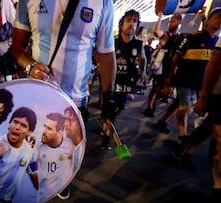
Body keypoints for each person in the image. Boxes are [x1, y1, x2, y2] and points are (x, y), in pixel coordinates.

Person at [11, 0, 116, 155]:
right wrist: (30, 66)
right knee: (29, 159)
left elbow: (106, 54)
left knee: (64, 167)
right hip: (37, 99)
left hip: (75, 106)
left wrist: (108, 98)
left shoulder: (104, 3)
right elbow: (16, 48)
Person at [162, 6, 221, 145]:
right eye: (218, 16)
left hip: (202, 83)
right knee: (185, 107)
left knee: (179, 104)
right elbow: (175, 59)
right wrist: (168, 79)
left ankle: (162, 121)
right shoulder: (192, 37)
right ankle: (183, 136)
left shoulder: (218, 42)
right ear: (209, 20)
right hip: (185, 79)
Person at [194, 16, 221, 203]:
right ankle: (219, 186)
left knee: (209, 127)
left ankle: (184, 148)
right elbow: (217, 58)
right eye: (218, 17)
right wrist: (205, 96)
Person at [110, 9, 147, 149]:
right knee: (108, 105)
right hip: (112, 80)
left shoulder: (138, 43)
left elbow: (142, 58)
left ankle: (109, 121)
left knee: (120, 105)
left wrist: (143, 72)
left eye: (135, 21)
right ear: (121, 24)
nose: (131, 23)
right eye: (128, 20)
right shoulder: (113, 41)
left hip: (127, 81)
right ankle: (106, 132)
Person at [144, 13, 182, 119]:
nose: (170, 23)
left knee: (167, 91)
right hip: (160, 67)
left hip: (171, 68)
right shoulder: (165, 35)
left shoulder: (181, 38)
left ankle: (153, 101)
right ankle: (150, 107)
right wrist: (160, 16)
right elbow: (156, 32)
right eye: (169, 21)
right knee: (156, 88)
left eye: (172, 21)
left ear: (179, 22)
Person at [36, 112, 74, 202]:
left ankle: (62, 188)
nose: (44, 131)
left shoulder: (70, 145)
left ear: (59, 132)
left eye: (49, 128)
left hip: (61, 180)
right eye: (44, 126)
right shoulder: (38, 145)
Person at [63, 106, 84, 172]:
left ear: (80, 124)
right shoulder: (71, 147)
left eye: (69, 120)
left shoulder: (81, 152)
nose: (65, 124)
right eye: (65, 120)